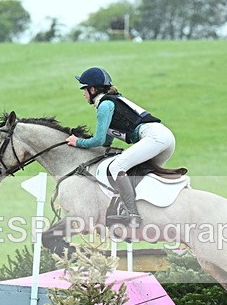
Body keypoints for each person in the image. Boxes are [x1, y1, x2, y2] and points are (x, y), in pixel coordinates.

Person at [65, 67, 175, 228]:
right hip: (165, 138)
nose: (83, 93)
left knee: (117, 167)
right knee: (139, 175)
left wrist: (78, 142)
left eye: (84, 89)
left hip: (154, 137)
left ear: (93, 89)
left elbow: (99, 139)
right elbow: (106, 142)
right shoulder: (112, 101)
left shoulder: (105, 105)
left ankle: (132, 215)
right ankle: (153, 210)